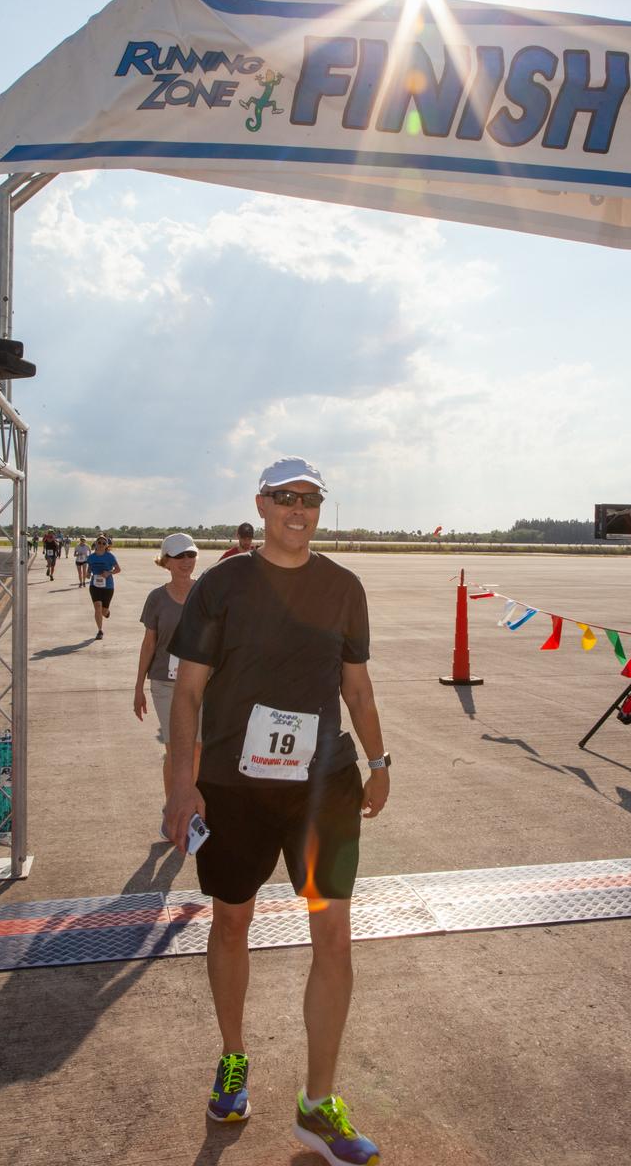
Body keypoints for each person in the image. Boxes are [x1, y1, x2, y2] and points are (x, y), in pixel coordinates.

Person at [165, 456, 389, 1163]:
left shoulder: (343, 588)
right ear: (261, 504)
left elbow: (356, 686)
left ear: (320, 509)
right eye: (286, 498)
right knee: (231, 925)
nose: (298, 509)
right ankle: (234, 1058)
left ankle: (317, 1104)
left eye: (310, 499)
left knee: (334, 937)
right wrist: (181, 783)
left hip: (325, 783)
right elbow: (188, 695)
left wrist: (379, 762)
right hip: (233, 786)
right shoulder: (221, 585)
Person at [133, 533, 203, 825]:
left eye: (190, 555)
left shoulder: (205, 592)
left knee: (197, 747)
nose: (186, 562)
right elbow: (149, 643)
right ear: (166, 561)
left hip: (199, 683)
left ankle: (187, 807)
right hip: (164, 682)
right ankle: (171, 809)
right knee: (176, 748)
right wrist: (138, 688)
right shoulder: (157, 599)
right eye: (179, 557)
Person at [86, 535, 120, 640]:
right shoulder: (91, 557)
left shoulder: (110, 556)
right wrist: (88, 574)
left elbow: (118, 569)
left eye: (103, 543)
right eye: (99, 542)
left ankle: (107, 612)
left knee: (104, 611)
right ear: (95, 544)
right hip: (94, 586)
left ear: (107, 546)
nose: (101, 545)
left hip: (108, 587)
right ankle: (100, 630)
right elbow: (90, 568)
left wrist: (109, 572)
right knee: (97, 607)